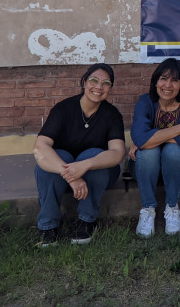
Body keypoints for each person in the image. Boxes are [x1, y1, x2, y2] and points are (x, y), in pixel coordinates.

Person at [33, 63, 126, 247]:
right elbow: (40, 146)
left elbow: (117, 153)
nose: (99, 87)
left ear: (110, 88)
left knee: (95, 155)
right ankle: (48, 226)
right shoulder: (63, 109)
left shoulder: (112, 115)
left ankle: (86, 221)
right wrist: (71, 175)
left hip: (96, 176)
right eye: (94, 80)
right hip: (64, 174)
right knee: (53, 159)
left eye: (106, 83)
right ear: (84, 82)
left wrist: (86, 165)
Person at [129, 58, 180, 237]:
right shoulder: (145, 102)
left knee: (172, 150)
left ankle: (172, 208)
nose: (168, 85)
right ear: (155, 82)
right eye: (163, 78)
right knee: (148, 152)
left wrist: (149, 139)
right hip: (145, 165)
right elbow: (139, 137)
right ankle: (148, 210)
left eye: (175, 80)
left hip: (179, 164)